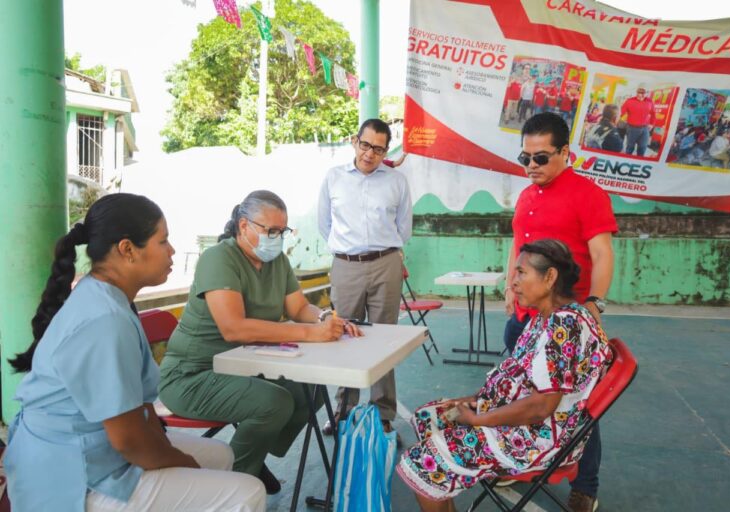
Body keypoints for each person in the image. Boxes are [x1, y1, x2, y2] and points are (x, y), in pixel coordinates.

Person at [4, 193, 265, 511]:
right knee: (247, 492)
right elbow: (128, 441)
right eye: (163, 241)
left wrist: (172, 457)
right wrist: (179, 462)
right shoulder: (104, 318)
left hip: (95, 446)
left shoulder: (112, 299)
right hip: (67, 475)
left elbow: (141, 412)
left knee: (221, 456)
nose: (171, 252)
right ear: (127, 249)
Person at [159, 190, 360, 495]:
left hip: (244, 367)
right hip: (193, 375)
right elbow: (234, 329)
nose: (277, 238)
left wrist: (327, 320)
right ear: (244, 226)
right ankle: (229, 487)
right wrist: (310, 334)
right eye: (271, 231)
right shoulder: (218, 259)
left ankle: (253, 453)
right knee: (274, 403)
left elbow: (298, 309)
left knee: (312, 391)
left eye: (282, 231)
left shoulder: (276, 261)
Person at [398, 239, 614, 512]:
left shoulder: (564, 324)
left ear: (550, 277)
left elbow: (540, 407)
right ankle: (445, 475)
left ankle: (438, 471)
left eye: (521, 273)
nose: (512, 282)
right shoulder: (546, 317)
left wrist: (478, 419)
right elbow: (520, 379)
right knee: (428, 418)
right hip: (515, 419)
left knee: (420, 464)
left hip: (535, 439)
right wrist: (476, 399)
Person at [504, 112, 617, 512]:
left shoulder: (587, 193)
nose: (531, 166)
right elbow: (518, 243)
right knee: (516, 393)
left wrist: (595, 303)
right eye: (525, 158)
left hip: (566, 328)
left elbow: (603, 253)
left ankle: (585, 486)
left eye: (541, 158)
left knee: (580, 407)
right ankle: (513, 461)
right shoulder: (525, 195)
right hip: (523, 320)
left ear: (565, 152)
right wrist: (509, 283)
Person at [318, 118, 413, 437]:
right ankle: (342, 411)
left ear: (387, 150)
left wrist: (386, 252)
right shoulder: (333, 178)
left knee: (383, 338)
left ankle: (383, 413)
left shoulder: (397, 181)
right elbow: (324, 224)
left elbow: (404, 227)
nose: (370, 153)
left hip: (386, 264)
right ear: (355, 142)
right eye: (365, 144)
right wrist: (347, 250)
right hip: (346, 265)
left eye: (378, 148)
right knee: (345, 337)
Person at [620, 83, 656, 156]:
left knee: (642, 148)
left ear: (647, 93)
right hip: (632, 128)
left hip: (645, 129)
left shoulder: (650, 101)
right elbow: (621, 112)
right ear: (636, 91)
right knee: (630, 148)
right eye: (638, 92)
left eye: (642, 93)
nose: (640, 95)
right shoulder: (629, 101)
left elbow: (653, 114)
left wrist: (652, 124)